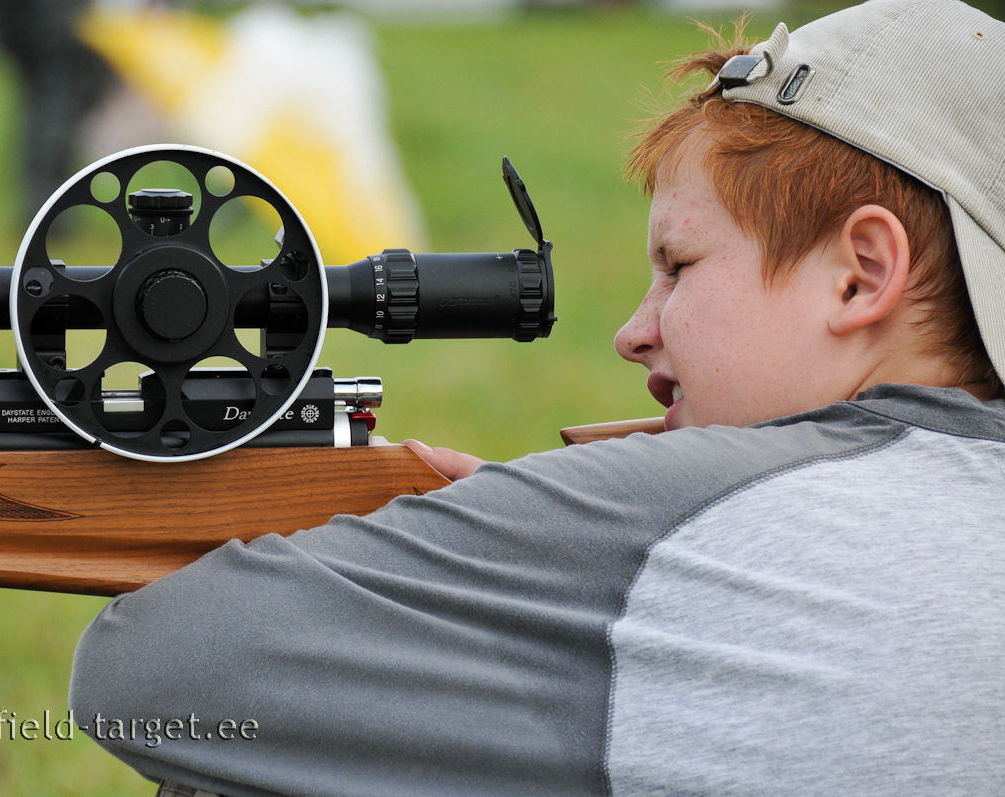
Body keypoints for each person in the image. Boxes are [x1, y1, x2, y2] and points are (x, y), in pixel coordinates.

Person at [69, 0, 1005, 794]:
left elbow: (147, 669)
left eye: (678, 264)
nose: (635, 331)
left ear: (860, 274)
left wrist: (532, 540)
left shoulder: (678, 512)